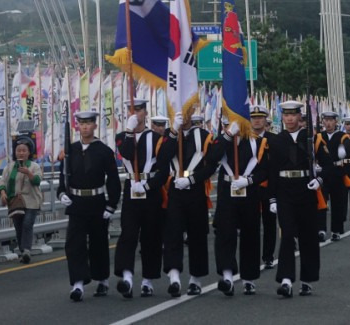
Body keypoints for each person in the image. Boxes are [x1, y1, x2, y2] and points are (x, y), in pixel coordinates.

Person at [268, 100, 332, 298]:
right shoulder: (277, 140)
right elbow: (272, 171)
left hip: (306, 190)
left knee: (308, 236)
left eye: (293, 115)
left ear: (300, 117)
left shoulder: (313, 138)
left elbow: (329, 165)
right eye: (286, 115)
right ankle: (286, 280)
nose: (289, 119)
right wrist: (272, 198)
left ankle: (307, 279)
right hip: (285, 191)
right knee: (287, 235)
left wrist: (319, 181)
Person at [57, 111, 121, 301]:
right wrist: (61, 193)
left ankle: (102, 280)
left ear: (94, 125)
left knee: (98, 243)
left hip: (96, 201)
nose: (84, 127)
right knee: (74, 244)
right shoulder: (71, 150)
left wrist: (111, 205)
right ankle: (77, 284)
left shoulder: (104, 151)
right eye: (81, 124)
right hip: (76, 203)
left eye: (88, 123)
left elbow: (113, 180)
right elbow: (63, 177)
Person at [157, 111, 216, 297]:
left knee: (197, 235)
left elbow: (211, 166)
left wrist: (191, 180)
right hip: (175, 188)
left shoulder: (205, 136)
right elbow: (162, 159)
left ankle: (195, 279)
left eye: (189, 112)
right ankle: (174, 276)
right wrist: (174, 132)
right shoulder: (169, 135)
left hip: (195, 189)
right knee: (172, 233)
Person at [113, 100, 168, 299]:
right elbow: (127, 153)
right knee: (128, 233)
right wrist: (129, 131)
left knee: (151, 235)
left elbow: (164, 170)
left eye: (138, 109)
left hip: (149, 189)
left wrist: (148, 185)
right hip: (130, 189)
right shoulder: (121, 137)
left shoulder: (156, 138)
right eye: (131, 110)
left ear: (145, 112)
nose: (134, 113)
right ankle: (126, 276)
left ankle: (148, 280)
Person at [212, 119, 268, 296]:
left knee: (250, 234)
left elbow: (265, 169)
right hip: (227, 190)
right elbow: (211, 158)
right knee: (225, 233)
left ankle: (249, 278)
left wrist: (249, 180)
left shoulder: (257, 142)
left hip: (248, 190)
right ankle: (227, 276)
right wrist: (228, 135)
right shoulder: (221, 141)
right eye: (226, 125)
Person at [0, 137, 43, 264]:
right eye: (19, 150)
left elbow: (37, 181)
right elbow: (3, 181)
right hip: (15, 201)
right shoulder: (10, 167)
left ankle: (26, 251)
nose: (21, 153)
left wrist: (28, 173)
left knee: (27, 224)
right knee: (18, 226)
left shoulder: (34, 166)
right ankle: (23, 250)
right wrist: (2, 193)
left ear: (29, 152)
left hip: (31, 200)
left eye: (24, 150)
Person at [251, 105, 278, 268]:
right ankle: (252, 256)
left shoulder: (274, 139)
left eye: (260, 117)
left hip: (269, 186)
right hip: (251, 187)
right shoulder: (245, 138)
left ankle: (268, 255)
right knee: (252, 223)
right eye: (254, 118)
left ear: (265, 120)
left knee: (269, 222)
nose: (257, 120)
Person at [318, 111, 349, 241]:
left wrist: (344, 149)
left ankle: (336, 229)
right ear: (323, 122)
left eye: (331, 120)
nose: (328, 123)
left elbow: (349, 145)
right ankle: (321, 229)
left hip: (337, 171)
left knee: (338, 202)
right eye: (326, 120)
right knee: (321, 202)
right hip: (323, 172)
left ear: (336, 122)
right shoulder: (319, 136)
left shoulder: (342, 135)